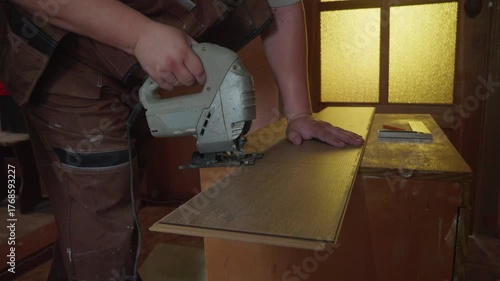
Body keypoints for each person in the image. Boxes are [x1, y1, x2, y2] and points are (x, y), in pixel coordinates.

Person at [1, 0, 364, 280]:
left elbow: (281, 5)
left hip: (135, 71)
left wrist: (299, 113)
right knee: (102, 217)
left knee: (104, 211)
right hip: (66, 61)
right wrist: (139, 34)